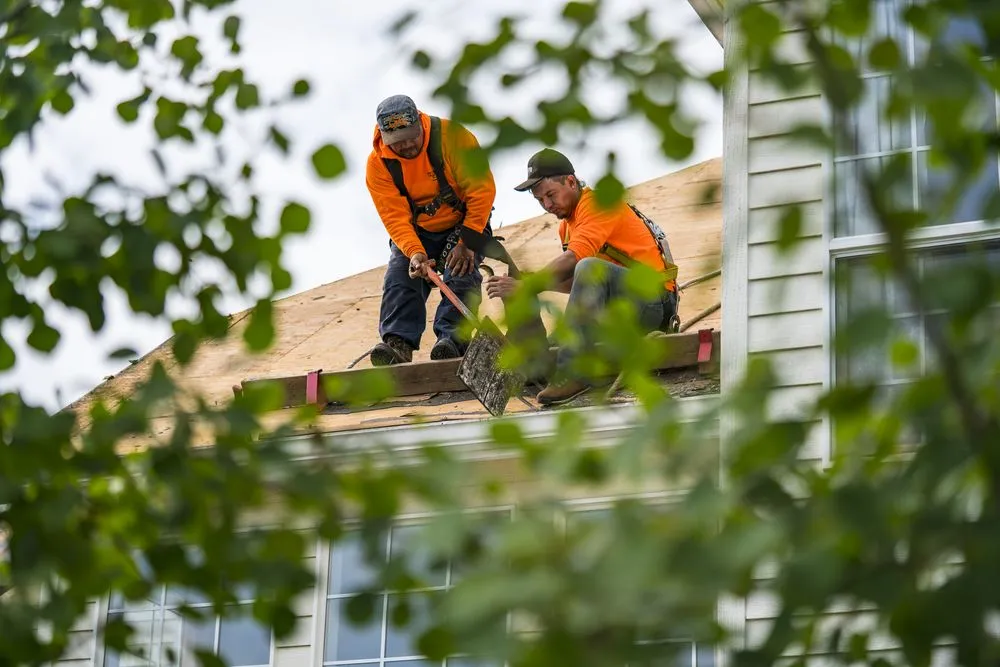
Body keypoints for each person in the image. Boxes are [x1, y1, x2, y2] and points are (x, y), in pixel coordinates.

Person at [485, 149, 680, 406]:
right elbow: (576, 282)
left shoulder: (597, 205)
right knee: (559, 338)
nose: (547, 205)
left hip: (655, 304)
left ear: (571, 182)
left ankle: (574, 374)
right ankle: (531, 368)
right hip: (620, 311)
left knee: (586, 266)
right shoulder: (566, 226)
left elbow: (576, 264)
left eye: (550, 195)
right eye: (540, 200)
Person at [365, 94, 497, 366]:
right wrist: (414, 252)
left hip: (465, 223)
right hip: (419, 233)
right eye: (398, 142)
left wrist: (467, 241)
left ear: (420, 124)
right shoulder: (378, 165)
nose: (408, 145)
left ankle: (452, 340)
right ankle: (397, 343)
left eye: (412, 136)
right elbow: (394, 217)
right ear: (384, 137)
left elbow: (482, 191)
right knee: (401, 277)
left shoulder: (454, 138)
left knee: (461, 272)